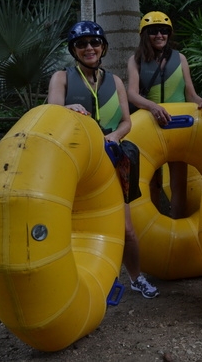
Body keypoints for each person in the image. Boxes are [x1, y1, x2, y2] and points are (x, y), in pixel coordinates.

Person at [48, 20, 159, 299]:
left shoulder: (116, 81)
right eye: (82, 44)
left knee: (127, 229)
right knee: (76, 226)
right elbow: (50, 111)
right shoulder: (61, 78)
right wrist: (65, 109)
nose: (89, 48)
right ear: (73, 49)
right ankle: (83, 281)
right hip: (78, 164)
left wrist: (115, 137)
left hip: (111, 159)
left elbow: (125, 122)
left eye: (94, 43)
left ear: (103, 48)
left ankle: (135, 278)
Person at [126, 11, 202, 219]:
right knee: (152, 181)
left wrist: (201, 101)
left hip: (177, 123)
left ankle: (177, 221)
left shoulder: (180, 58)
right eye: (154, 31)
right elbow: (132, 93)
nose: (159, 35)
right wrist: (152, 107)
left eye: (164, 31)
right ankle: (153, 223)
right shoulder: (136, 60)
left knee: (178, 180)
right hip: (150, 123)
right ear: (144, 34)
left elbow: (190, 93)